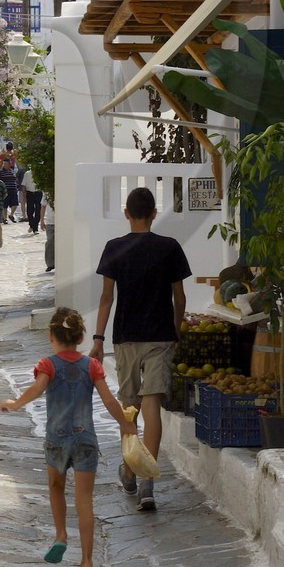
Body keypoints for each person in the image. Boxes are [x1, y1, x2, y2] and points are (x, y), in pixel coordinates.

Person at [1, 306, 132, 567]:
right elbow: (110, 399)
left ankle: (61, 534)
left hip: (56, 440)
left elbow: (36, 389)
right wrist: (125, 424)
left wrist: (15, 404)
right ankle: (86, 565)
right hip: (85, 439)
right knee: (85, 501)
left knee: (56, 487)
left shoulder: (47, 365)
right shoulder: (92, 366)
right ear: (81, 337)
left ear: (51, 336)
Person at [90, 186, 189, 513]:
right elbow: (180, 297)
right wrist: (175, 330)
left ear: (127, 214)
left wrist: (98, 338)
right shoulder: (169, 248)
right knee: (152, 408)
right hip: (160, 335)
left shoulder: (114, 249)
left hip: (126, 337)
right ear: (154, 213)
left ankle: (130, 470)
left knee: (129, 408)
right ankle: (147, 483)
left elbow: (107, 298)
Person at [0, 152, 20, 223]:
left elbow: (15, 179)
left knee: (15, 204)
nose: (5, 165)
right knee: (5, 205)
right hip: (5, 190)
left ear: (10, 164)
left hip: (13, 190)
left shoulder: (13, 171)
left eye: (6, 164)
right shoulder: (1, 172)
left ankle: (11, 215)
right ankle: (5, 218)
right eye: (4, 164)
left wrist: (17, 185)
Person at [23, 166, 43, 235]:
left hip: (38, 193)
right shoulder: (27, 173)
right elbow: (23, 185)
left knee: (38, 210)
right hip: (30, 193)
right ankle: (31, 224)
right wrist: (24, 195)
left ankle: (35, 228)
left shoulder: (40, 173)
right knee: (29, 211)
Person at [42, 198, 55, 271]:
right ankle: (50, 264)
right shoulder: (46, 192)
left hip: (61, 222)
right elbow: (43, 206)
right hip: (50, 222)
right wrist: (42, 220)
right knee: (49, 242)